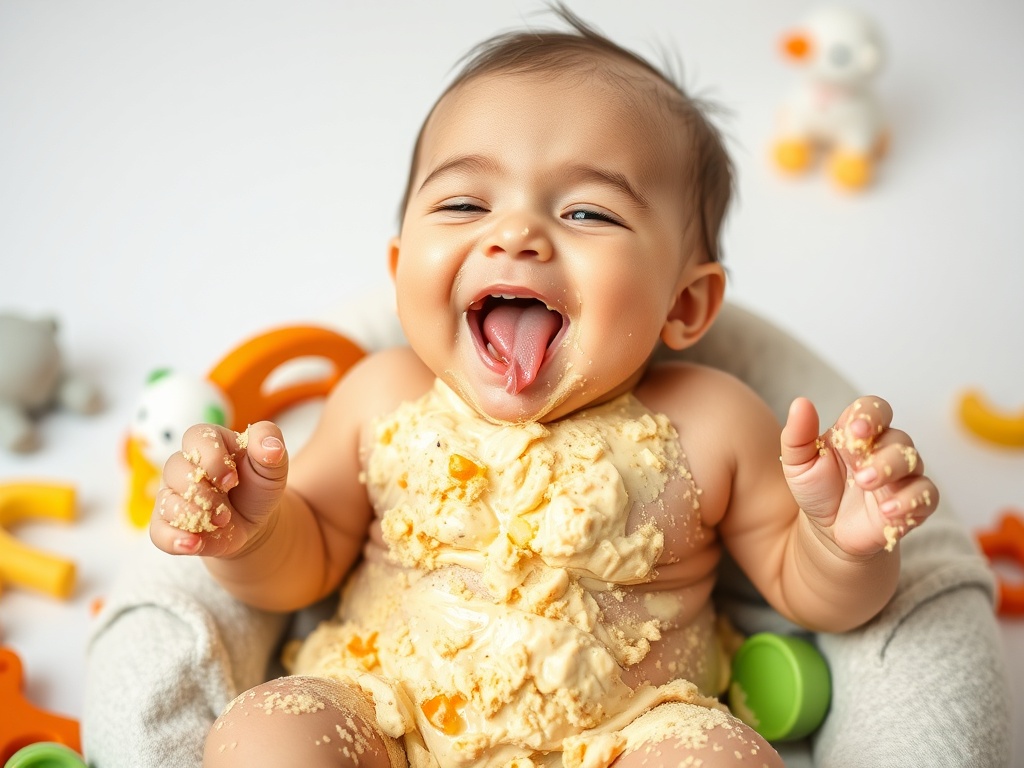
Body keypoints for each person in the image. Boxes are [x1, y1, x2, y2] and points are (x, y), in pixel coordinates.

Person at [150, 8, 937, 768]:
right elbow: (308, 558)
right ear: (400, 272)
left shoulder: (712, 421)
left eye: (588, 211)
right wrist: (251, 534)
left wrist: (841, 541)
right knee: (265, 732)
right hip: (383, 712)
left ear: (684, 303)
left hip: (633, 729)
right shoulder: (381, 395)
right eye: (464, 203)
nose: (517, 233)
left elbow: (810, 592)